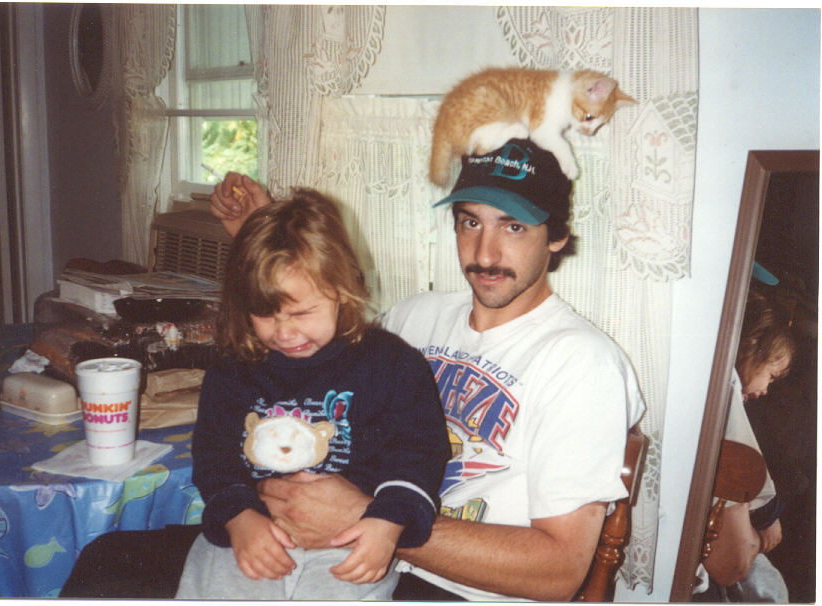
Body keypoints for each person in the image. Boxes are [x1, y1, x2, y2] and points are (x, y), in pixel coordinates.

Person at [60, 138, 645, 600]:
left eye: (513, 227)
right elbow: (315, 353)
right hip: (305, 542)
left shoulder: (583, 363)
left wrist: (368, 518)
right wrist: (267, 240)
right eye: (471, 222)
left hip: (442, 584)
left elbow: (560, 572)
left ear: (557, 237)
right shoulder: (418, 315)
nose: (486, 252)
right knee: (104, 564)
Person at [174, 188, 450, 600]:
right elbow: (213, 454)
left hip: (354, 540)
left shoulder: (392, 362)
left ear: (343, 288)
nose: (285, 333)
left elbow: (419, 452)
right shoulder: (232, 367)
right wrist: (238, 517)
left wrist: (388, 522)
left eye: (302, 313)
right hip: (251, 533)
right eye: (265, 315)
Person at [694, 282, 795, 602]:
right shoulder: (726, 385)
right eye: (771, 375)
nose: (765, 389)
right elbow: (743, 455)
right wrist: (768, 517)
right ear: (752, 349)